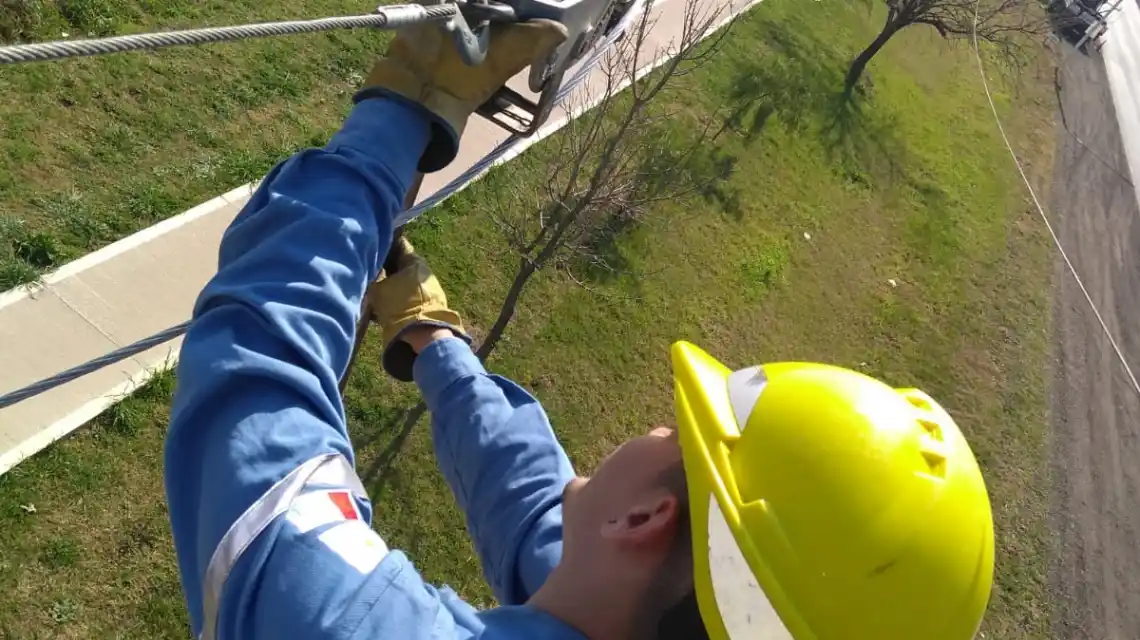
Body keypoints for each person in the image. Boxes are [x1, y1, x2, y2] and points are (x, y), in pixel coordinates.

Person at [164, 14, 997, 640]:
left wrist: (396, 118)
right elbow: (543, 519)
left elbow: (256, 374)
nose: (654, 424)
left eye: (680, 432)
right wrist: (430, 338)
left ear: (642, 524)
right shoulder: (638, 600)